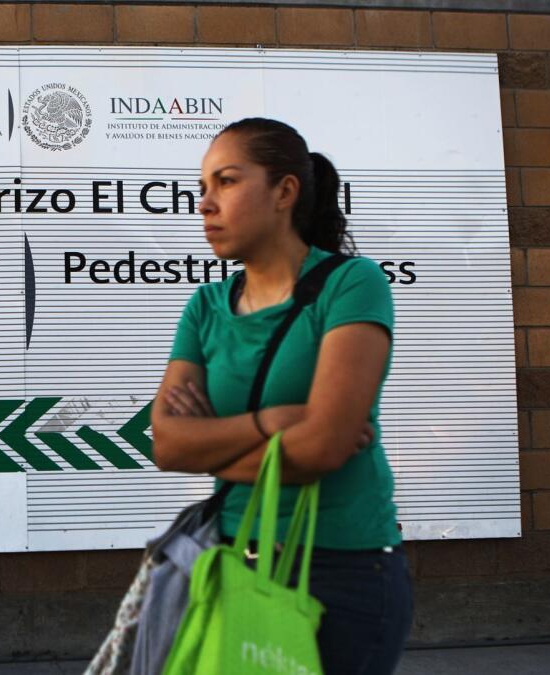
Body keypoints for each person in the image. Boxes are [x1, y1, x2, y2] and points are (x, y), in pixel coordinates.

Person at [150, 118, 413, 674]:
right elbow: (169, 446)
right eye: (202, 187)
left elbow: (322, 449)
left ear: (284, 192)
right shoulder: (206, 306)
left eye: (226, 182)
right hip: (231, 562)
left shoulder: (351, 284)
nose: (204, 203)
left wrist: (215, 444)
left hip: (341, 572)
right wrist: (273, 423)